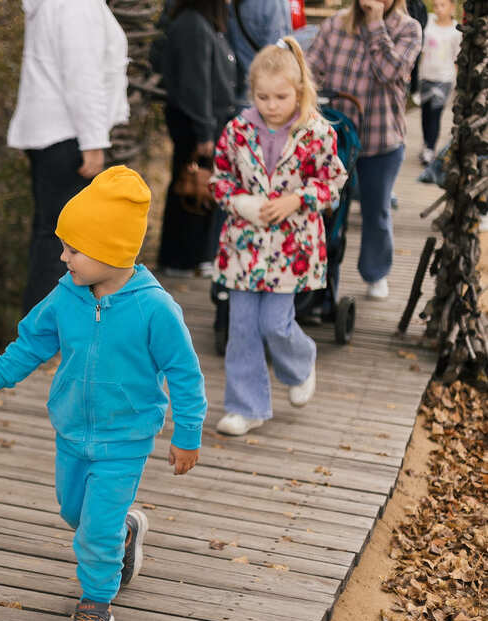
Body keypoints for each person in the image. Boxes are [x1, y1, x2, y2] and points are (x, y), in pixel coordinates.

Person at [0, 167, 207, 621]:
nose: (63, 258)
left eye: (73, 249)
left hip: (125, 437)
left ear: (110, 250)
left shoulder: (155, 309)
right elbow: (30, 345)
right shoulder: (67, 296)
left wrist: (187, 435)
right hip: (71, 430)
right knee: (74, 513)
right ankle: (125, 530)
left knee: (95, 530)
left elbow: (186, 376)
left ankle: (96, 604)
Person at [210, 37, 348, 436]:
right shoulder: (236, 131)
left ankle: (300, 363)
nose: (271, 105)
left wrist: (296, 200)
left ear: (300, 91)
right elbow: (219, 180)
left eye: (280, 97)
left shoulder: (317, 133)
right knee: (241, 326)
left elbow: (331, 183)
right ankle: (245, 406)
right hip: (244, 245)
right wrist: (239, 203)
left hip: (291, 248)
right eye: (262, 96)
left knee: (275, 323)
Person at [8, 0, 130, 314]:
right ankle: (46, 344)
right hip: (68, 135)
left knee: (51, 236)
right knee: (63, 243)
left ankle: (41, 339)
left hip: (51, 133)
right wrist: (93, 141)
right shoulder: (77, 5)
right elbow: (82, 77)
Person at [306, 0, 422, 300]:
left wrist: (375, 23)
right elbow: (309, 71)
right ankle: (319, 279)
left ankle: (375, 273)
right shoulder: (336, 23)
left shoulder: (409, 29)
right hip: (336, 138)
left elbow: (389, 72)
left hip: (381, 141)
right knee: (327, 208)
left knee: (376, 210)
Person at [155, 0, 237, 278]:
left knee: (202, 188)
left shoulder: (204, 24)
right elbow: (195, 84)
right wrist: (204, 132)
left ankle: (197, 256)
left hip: (206, 121)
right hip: (196, 124)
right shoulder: (192, 25)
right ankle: (179, 259)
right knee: (190, 188)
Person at [418, 0, 461, 165]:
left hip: (444, 78)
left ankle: (430, 148)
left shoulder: (456, 30)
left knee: (435, 113)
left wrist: (456, 82)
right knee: (425, 113)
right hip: (426, 76)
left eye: (443, 5)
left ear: (452, 6)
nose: (439, 9)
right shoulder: (428, 22)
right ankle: (426, 142)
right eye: (436, 5)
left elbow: (457, 57)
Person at [226, 0, 293, 105]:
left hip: (240, 91)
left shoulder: (233, 4)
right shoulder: (274, 4)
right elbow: (278, 53)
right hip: (267, 95)